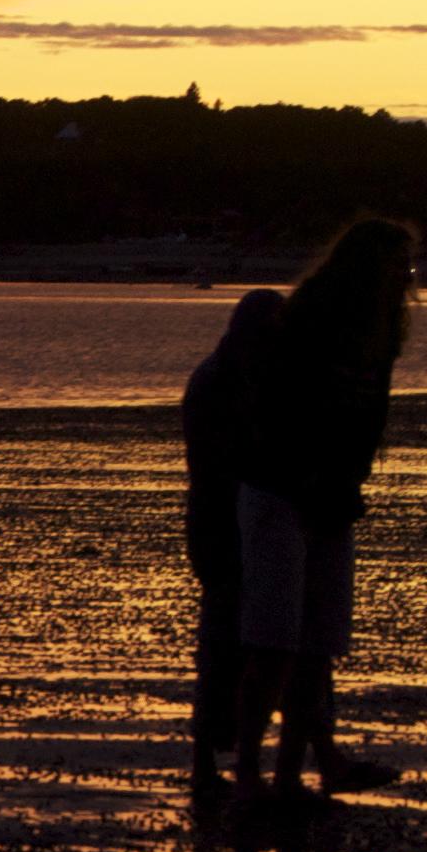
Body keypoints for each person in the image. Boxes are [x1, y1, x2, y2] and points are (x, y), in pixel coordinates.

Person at [230, 215, 415, 803]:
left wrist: (346, 483)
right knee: (274, 641)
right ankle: (250, 774)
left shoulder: (381, 333)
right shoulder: (308, 323)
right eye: (397, 270)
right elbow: (278, 413)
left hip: (332, 497)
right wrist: (312, 478)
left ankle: (292, 773)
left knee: (316, 643)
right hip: (281, 491)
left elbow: (365, 422)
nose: (406, 283)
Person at [176, 289, 284, 790]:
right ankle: (214, 753)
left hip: (218, 523)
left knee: (233, 643)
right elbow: (232, 460)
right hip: (223, 526)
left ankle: (223, 751)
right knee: (227, 642)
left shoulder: (224, 374)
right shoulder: (226, 381)